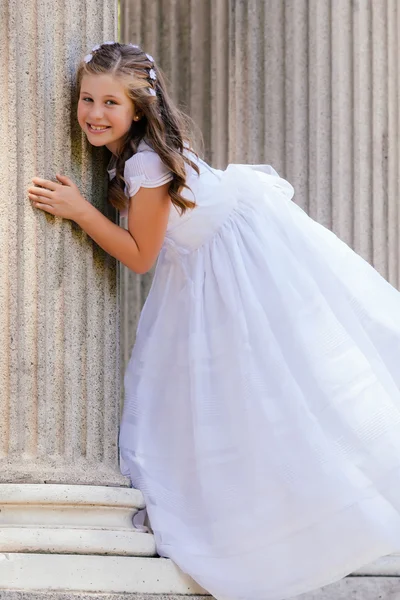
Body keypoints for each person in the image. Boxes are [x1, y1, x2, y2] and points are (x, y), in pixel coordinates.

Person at [27, 41, 400, 600]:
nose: (94, 114)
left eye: (110, 102)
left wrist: (80, 210)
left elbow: (139, 257)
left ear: (138, 110)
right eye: (86, 98)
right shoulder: (137, 155)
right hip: (210, 263)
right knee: (205, 403)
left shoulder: (148, 163)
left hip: (233, 268)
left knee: (261, 398)